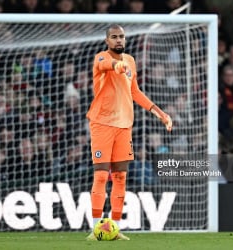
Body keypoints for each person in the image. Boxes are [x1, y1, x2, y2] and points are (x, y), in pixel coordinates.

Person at [85, 24, 172, 241]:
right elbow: (108, 65)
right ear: (107, 40)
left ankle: (114, 228)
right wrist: (117, 66)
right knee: (101, 175)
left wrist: (159, 112)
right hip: (102, 124)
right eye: (114, 37)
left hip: (125, 126)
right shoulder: (101, 58)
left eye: (121, 37)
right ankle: (96, 229)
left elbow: (135, 91)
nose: (118, 40)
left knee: (121, 177)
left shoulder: (131, 61)